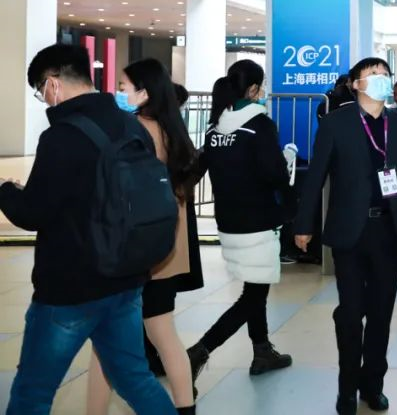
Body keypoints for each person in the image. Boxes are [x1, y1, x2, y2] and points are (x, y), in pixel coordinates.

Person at [0, 44, 176, 415]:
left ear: (52, 84)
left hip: (70, 289)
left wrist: (5, 191)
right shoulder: (131, 126)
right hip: (126, 279)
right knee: (135, 379)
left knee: (33, 392)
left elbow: (33, 212)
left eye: (41, 92)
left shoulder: (61, 136)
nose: (45, 100)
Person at [295, 58, 397, 413]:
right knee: (351, 311)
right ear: (356, 84)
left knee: (380, 313)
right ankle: (346, 387)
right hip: (349, 230)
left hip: (389, 230)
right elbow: (316, 176)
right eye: (373, 75)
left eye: (385, 75)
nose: (381, 79)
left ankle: (372, 384)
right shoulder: (336, 123)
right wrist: (303, 224)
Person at [87, 59, 204, 415]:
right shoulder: (173, 129)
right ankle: (185, 408)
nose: (119, 92)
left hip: (133, 249)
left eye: (124, 86)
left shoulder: (133, 129)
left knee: (105, 343)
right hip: (167, 247)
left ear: (144, 92)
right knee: (164, 335)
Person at [187, 60, 293, 387]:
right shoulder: (259, 125)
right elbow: (274, 174)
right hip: (258, 221)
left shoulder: (214, 127)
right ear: (253, 89)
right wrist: (287, 165)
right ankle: (200, 350)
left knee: (253, 286)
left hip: (228, 221)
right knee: (253, 295)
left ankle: (262, 350)